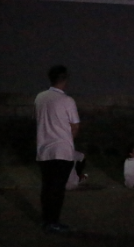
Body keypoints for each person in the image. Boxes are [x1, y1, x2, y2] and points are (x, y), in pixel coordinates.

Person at [35, 65, 80, 233]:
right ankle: (53, 221)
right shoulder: (67, 100)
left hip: (44, 149)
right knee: (58, 188)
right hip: (61, 150)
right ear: (65, 79)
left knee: (47, 186)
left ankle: (46, 219)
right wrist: (67, 139)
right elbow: (75, 126)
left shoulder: (40, 97)